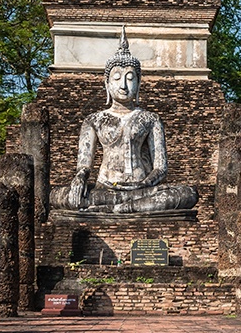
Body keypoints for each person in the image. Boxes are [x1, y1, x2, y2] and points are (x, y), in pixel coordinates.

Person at [51, 28, 198, 214]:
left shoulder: (150, 119)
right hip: (104, 189)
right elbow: (84, 165)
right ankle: (119, 206)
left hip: (141, 189)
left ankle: (118, 209)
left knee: (186, 194)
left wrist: (143, 185)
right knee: (57, 195)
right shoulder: (94, 120)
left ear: (138, 84)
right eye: (117, 78)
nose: (123, 85)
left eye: (130, 78)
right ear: (107, 83)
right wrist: (79, 178)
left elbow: (160, 168)